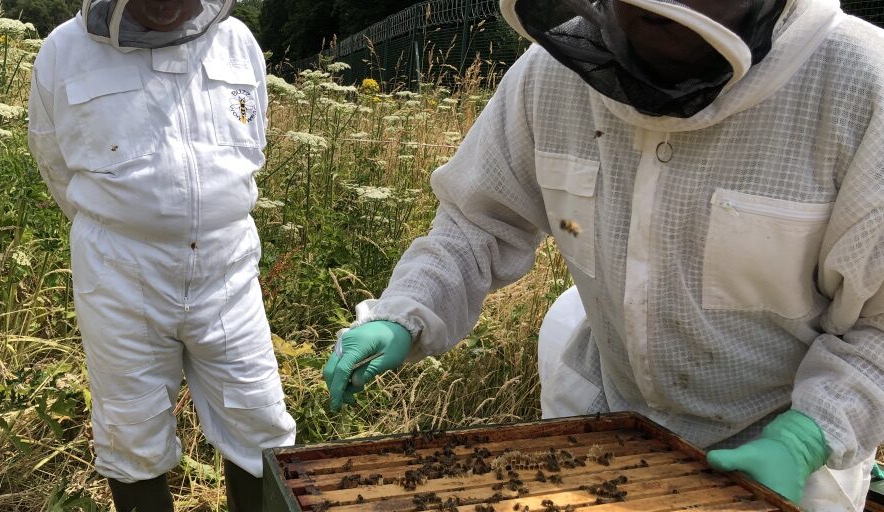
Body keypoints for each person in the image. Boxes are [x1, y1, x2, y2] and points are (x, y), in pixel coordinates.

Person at [322, 0, 884, 510]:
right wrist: (407, 309)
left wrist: (806, 437)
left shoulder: (861, 85)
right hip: (612, 425)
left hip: (787, 454)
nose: (653, 21)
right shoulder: (550, 75)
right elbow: (479, 221)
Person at [27, 0, 296, 509]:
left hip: (229, 270)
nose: (170, 5)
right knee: (131, 428)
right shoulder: (65, 50)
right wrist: (129, 224)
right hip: (120, 273)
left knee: (259, 418)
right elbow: (53, 158)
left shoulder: (238, 42)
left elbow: (252, 146)